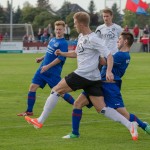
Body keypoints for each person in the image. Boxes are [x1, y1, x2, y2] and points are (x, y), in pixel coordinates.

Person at [25, 12, 138, 140]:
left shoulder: (94, 38)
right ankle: (130, 125)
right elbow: (77, 53)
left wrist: (108, 71)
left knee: (56, 90)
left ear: (81, 24)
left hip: (83, 74)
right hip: (93, 78)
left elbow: (109, 55)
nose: (74, 26)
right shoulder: (81, 36)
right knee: (99, 108)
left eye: (75, 23)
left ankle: (40, 121)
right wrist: (62, 53)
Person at [62, 32, 150, 140]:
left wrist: (93, 49)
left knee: (124, 114)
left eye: (120, 39)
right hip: (98, 83)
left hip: (110, 87)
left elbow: (103, 61)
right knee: (78, 103)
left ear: (125, 41)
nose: (118, 41)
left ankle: (144, 126)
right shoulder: (123, 55)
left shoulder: (121, 55)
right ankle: (75, 133)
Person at [17, 20, 75, 116]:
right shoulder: (52, 40)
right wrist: (41, 58)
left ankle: (77, 105)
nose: (58, 31)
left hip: (52, 72)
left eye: (60, 29)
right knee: (32, 87)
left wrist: (48, 66)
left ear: (64, 30)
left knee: (61, 92)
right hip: (42, 69)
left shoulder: (63, 43)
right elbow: (49, 52)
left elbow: (60, 59)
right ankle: (29, 111)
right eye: (56, 29)